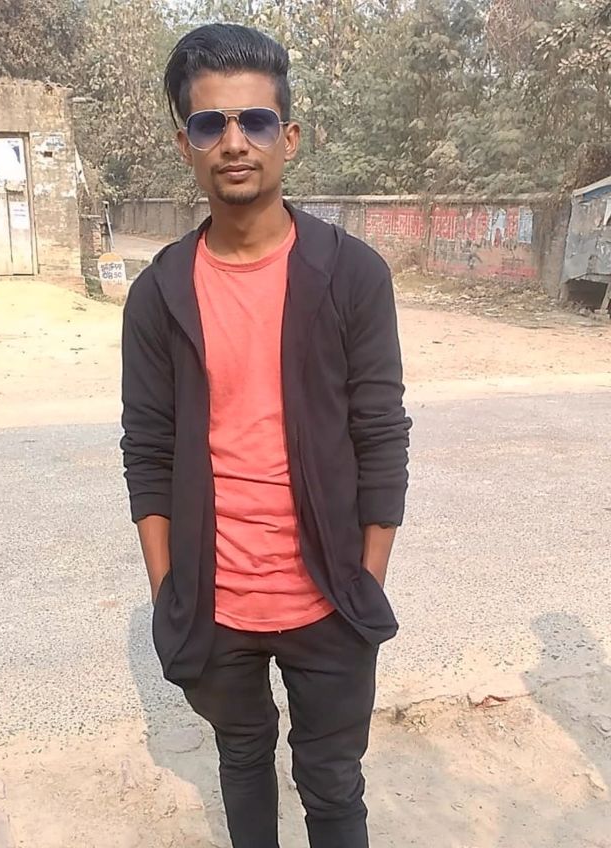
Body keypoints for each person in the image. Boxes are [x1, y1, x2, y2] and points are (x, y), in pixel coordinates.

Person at [120, 22, 411, 848]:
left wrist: (365, 581)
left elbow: (381, 436)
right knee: (242, 762)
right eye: (209, 123)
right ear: (185, 143)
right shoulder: (160, 295)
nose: (233, 142)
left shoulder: (352, 276)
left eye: (254, 120)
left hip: (330, 601)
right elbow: (148, 451)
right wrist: (168, 591)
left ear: (289, 136)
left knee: (333, 785)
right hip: (215, 607)